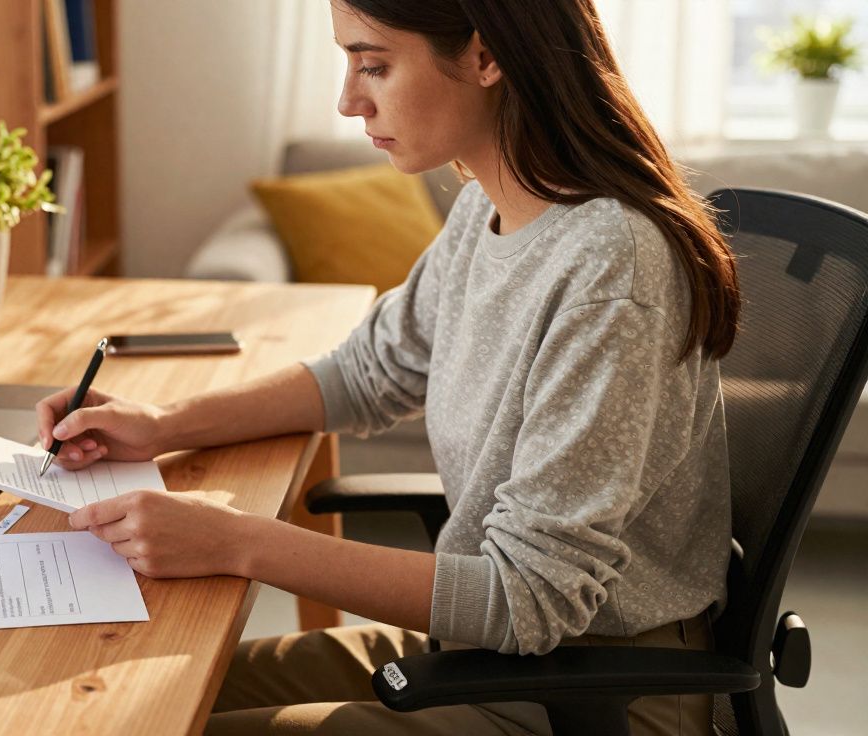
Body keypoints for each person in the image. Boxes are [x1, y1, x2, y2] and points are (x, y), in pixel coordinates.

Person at [36, 1, 739, 733]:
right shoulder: (488, 211)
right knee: (119, 707)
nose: (348, 100)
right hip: (483, 654)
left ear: (486, 56)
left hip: (591, 691)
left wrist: (233, 540)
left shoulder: (610, 266)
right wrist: (162, 425)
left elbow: (531, 597)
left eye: (374, 64)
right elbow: (366, 372)